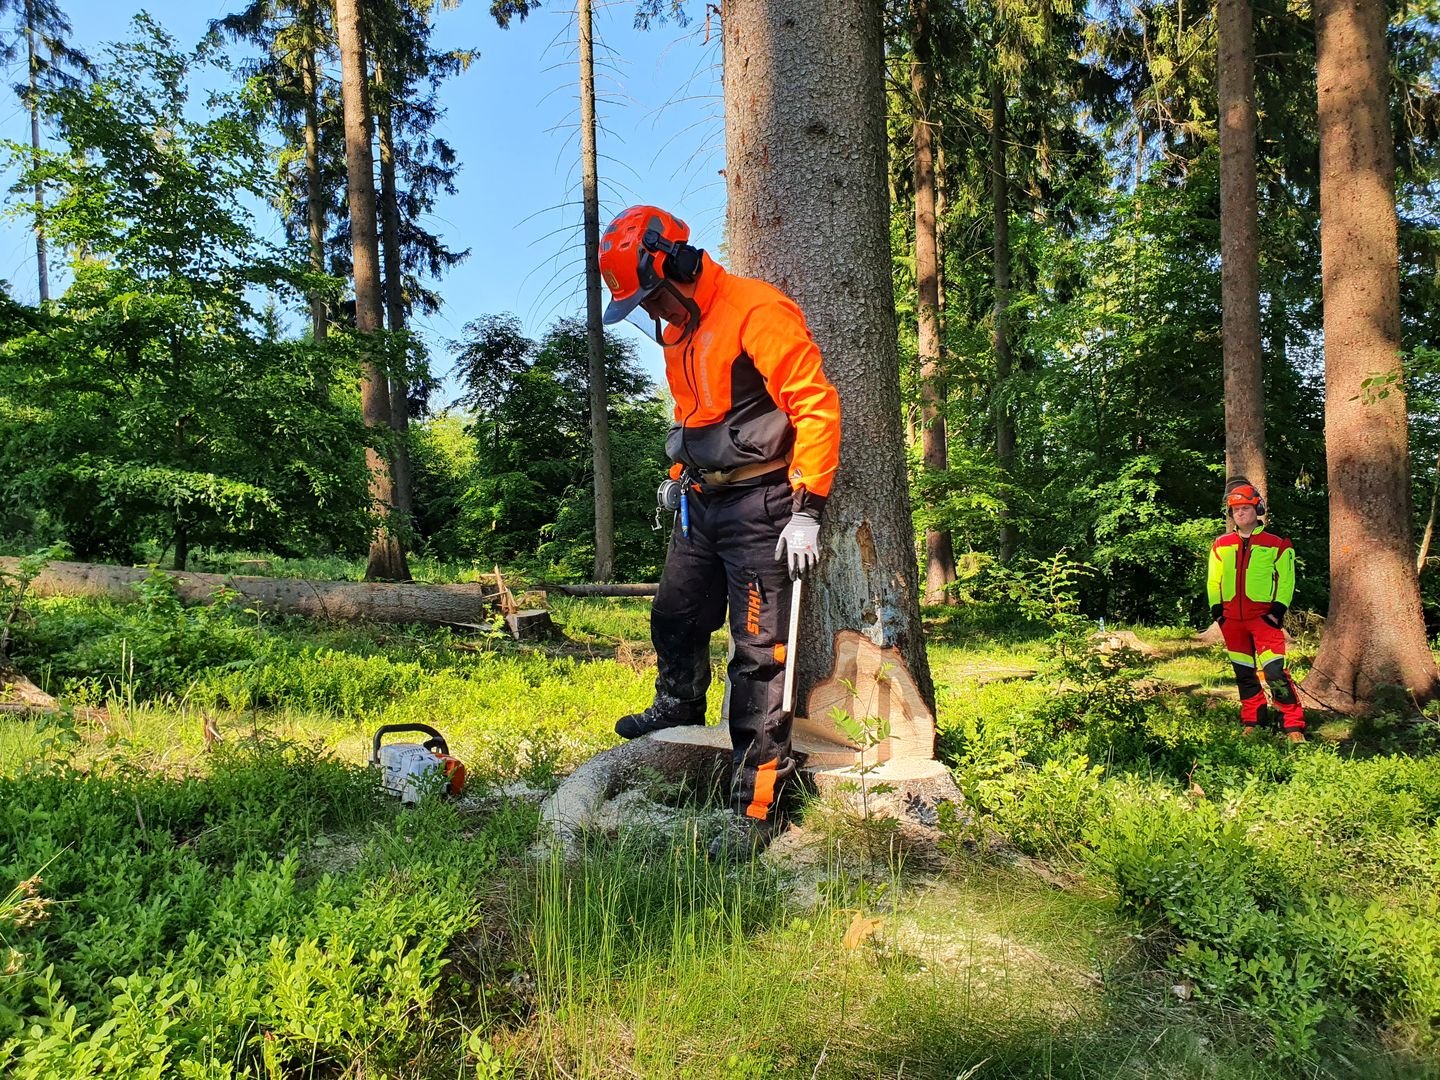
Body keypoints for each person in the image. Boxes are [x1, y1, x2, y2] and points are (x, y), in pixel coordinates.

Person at [596, 205, 841, 857]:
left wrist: (808, 508)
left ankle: (755, 805)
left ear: (677, 265)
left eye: (654, 298)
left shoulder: (755, 311)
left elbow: (816, 406)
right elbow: (693, 413)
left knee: (758, 656)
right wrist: (678, 473)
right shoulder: (679, 331)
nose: (654, 313)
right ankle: (678, 705)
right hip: (701, 500)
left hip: (762, 504)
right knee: (674, 614)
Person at [1206, 477, 1306, 742]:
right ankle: (1253, 720)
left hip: (1264, 619)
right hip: (1231, 620)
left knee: (1275, 673)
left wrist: (1277, 612)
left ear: (1257, 509)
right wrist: (1218, 612)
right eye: (1236, 510)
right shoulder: (1221, 544)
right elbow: (1213, 581)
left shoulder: (1277, 543)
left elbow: (1287, 581)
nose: (1240, 513)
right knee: (1244, 673)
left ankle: (1292, 725)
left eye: (1245, 508)